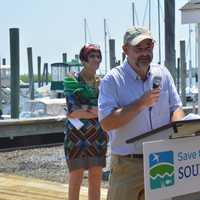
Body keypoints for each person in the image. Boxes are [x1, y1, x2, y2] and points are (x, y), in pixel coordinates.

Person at [98, 26, 185, 200]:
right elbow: (106, 122)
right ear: (125, 50)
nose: (145, 53)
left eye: (148, 47)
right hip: (127, 164)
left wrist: (179, 130)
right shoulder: (112, 80)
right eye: (139, 49)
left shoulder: (163, 74)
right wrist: (140, 104)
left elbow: (176, 108)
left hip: (162, 160)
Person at [64, 44, 108, 200]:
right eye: (92, 56)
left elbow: (106, 108)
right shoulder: (71, 80)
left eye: (98, 56)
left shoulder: (103, 83)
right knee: (76, 176)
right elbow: (73, 111)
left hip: (98, 135)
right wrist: (95, 110)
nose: (96, 59)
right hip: (76, 136)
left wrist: (86, 108)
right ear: (83, 60)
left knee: (96, 178)